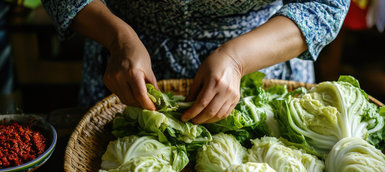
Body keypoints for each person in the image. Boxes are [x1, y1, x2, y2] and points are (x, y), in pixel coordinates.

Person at [41, 0, 350, 124]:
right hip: (124, 66)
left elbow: (324, 4)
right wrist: (118, 38)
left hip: (260, 62)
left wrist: (237, 60)